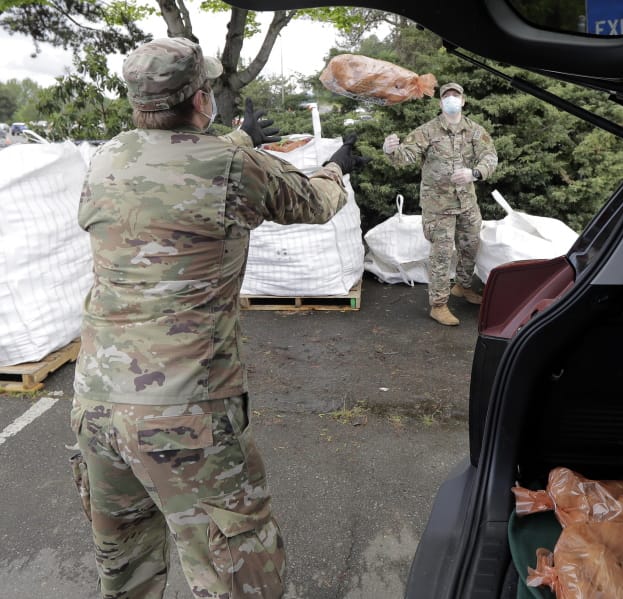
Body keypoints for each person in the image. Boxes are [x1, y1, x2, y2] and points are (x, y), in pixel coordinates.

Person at [69, 37, 365, 599]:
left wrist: (240, 136)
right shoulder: (233, 164)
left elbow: (176, 161)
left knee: (125, 572)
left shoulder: (107, 157)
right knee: (236, 570)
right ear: (201, 98)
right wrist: (335, 169)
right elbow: (313, 203)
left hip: (97, 406)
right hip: (185, 415)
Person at [382, 82, 498, 326]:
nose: (452, 99)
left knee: (470, 246)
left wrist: (474, 173)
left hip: (467, 202)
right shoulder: (427, 131)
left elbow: (490, 156)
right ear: (441, 102)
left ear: (463, 101)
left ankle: (463, 286)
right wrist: (391, 150)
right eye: (447, 96)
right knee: (442, 255)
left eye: (456, 95)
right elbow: (406, 156)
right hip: (438, 206)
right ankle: (438, 305)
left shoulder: (474, 131)